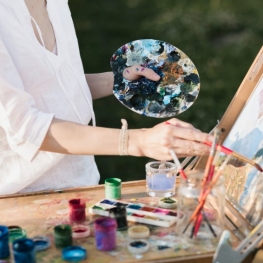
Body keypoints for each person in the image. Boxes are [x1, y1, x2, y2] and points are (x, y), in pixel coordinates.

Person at [0, 0, 212, 195]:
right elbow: (26, 128)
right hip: (19, 199)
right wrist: (139, 141)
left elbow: (53, 87)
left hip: (80, 186)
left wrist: (123, 80)